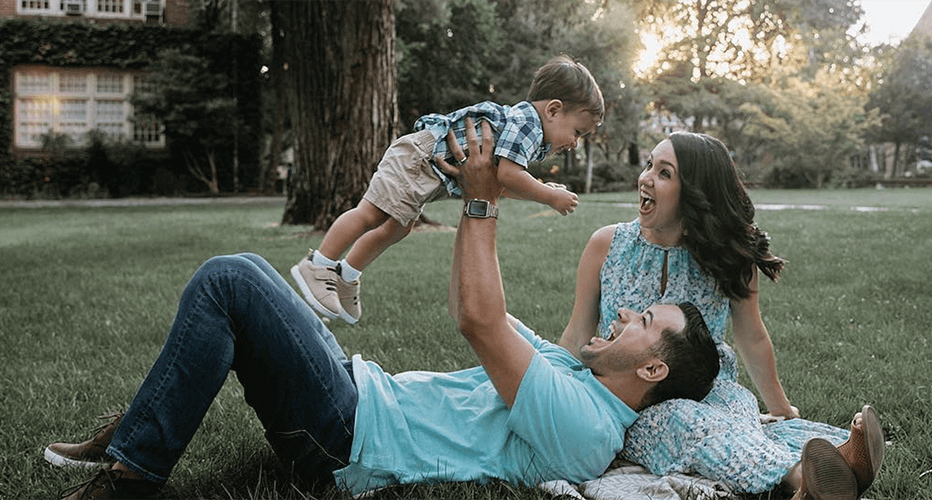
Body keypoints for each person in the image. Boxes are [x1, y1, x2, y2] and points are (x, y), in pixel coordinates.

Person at [45, 120, 720, 500]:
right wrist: (471, 200)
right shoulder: (573, 374)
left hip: (346, 439)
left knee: (228, 280)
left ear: (656, 370)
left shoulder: (589, 429)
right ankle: (142, 428)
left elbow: (479, 324)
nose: (627, 314)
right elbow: (471, 305)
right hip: (354, 399)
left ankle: (133, 474)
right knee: (247, 273)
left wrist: (483, 203)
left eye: (645, 321)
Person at [557, 131, 885, 499]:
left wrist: (780, 407)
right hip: (631, 400)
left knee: (741, 422)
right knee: (686, 423)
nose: (646, 177)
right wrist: (551, 391)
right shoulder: (605, 244)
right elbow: (576, 334)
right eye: (650, 164)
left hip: (714, 390)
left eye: (665, 173)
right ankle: (801, 479)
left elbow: (752, 337)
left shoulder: (729, 258)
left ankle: (839, 466)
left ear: (695, 194)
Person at [291, 55, 602, 325]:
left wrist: (542, 189)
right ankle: (318, 265)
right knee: (371, 213)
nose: (575, 142)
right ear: (554, 109)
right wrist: (549, 196)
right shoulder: (528, 124)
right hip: (419, 156)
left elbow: (502, 183)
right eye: (577, 131)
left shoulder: (529, 137)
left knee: (398, 228)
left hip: (427, 168)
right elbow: (509, 174)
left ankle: (347, 275)